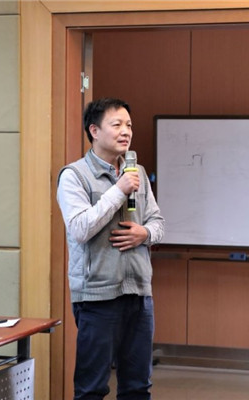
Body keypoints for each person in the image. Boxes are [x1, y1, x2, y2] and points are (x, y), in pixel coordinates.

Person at [57, 98, 165, 400]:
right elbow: (80, 228)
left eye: (129, 125)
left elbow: (158, 223)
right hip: (97, 296)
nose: (126, 131)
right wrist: (119, 190)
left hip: (139, 294)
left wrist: (144, 233)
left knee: (138, 387)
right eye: (116, 124)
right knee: (92, 389)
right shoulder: (74, 176)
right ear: (94, 130)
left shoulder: (136, 171)